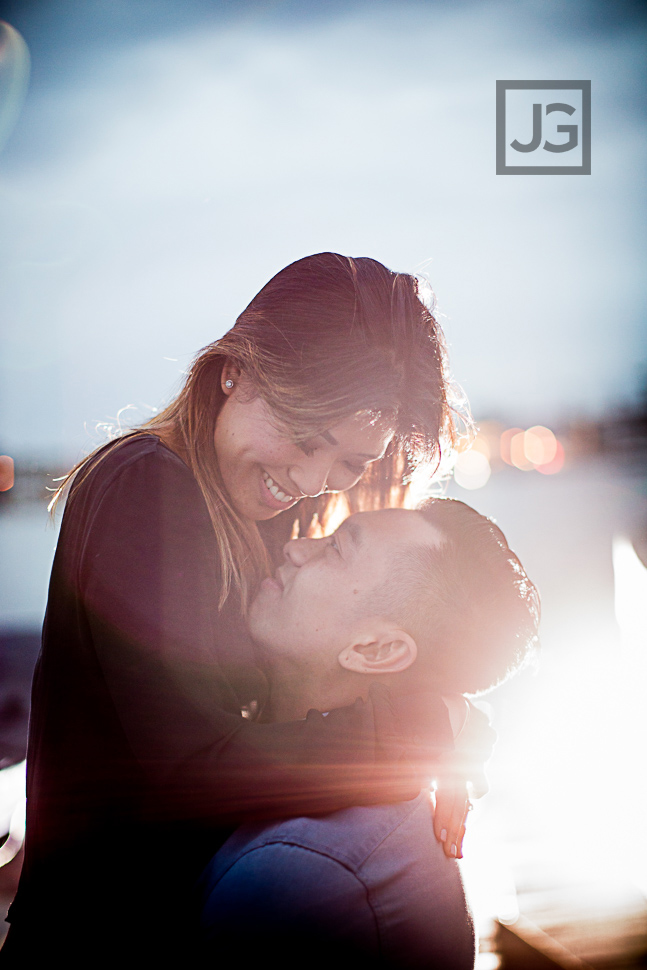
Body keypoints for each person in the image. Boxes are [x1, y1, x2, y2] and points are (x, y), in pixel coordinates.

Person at [3, 254, 488, 965]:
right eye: (306, 436)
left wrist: (445, 713)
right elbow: (194, 769)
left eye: (350, 462)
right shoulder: (146, 486)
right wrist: (412, 732)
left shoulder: (256, 511)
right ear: (236, 370)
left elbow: (282, 705)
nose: (314, 482)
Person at [199, 500, 540, 968]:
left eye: (335, 549)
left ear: (375, 649)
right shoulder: (367, 809)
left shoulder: (296, 876)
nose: (297, 547)